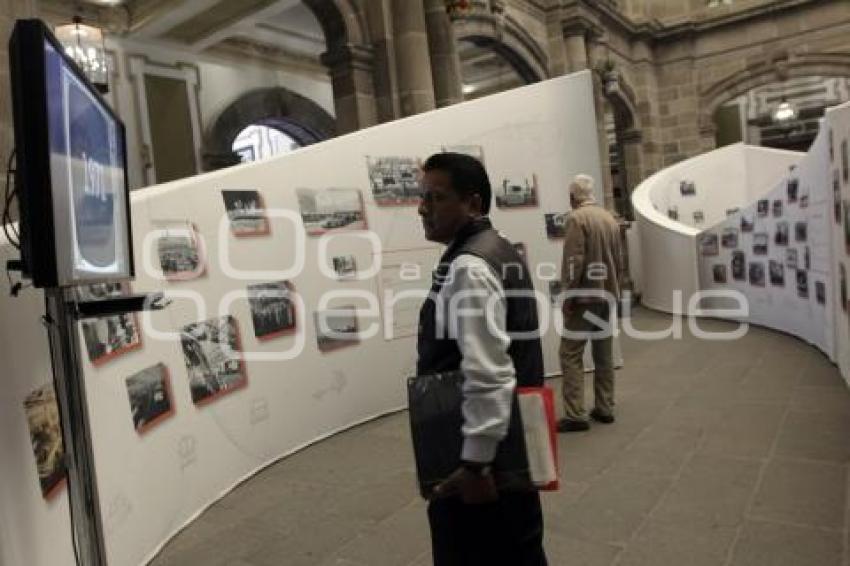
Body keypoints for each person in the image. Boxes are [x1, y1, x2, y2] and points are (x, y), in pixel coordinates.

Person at [416, 152, 548, 566]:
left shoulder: (470, 265)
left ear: (472, 203)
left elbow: (488, 371)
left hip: (481, 466)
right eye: (422, 197)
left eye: (435, 198)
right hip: (511, 452)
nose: (422, 208)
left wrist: (474, 465)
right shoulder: (496, 249)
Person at [557, 174, 623, 433]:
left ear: (573, 196)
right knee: (603, 353)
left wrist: (568, 296)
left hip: (584, 296)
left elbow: (574, 262)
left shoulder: (576, 218)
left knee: (570, 353)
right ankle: (605, 407)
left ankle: (575, 415)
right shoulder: (609, 218)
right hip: (607, 295)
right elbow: (618, 259)